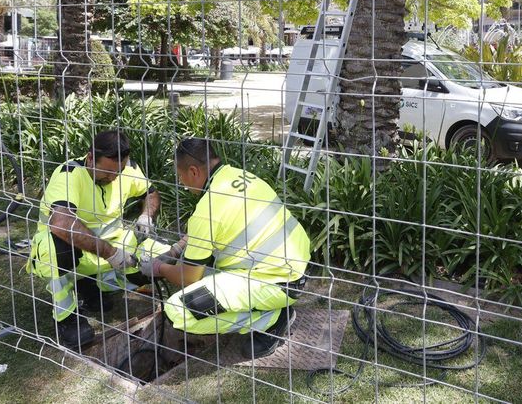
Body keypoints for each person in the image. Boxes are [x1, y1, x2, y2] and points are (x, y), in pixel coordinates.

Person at [137, 138, 311, 358]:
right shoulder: (240, 176)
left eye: (181, 176)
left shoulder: (206, 209)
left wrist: (159, 268)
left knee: (177, 311)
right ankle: (270, 308)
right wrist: (176, 249)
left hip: (276, 283)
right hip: (297, 268)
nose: (182, 183)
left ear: (193, 171)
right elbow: (221, 224)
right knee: (206, 275)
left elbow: (189, 277)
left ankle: (271, 320)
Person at [27, 130, 172, 349]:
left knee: (161, 258)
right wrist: (112, 254)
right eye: (107, 171)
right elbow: (61, 224)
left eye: (118, 171)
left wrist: (146, 216)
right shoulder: (69, 174)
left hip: (112, 248)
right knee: (56, 249)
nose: (114, 177)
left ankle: (92, 285)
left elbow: (150, 193)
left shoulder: (127, 169)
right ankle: (67, 317)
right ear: (91, 157)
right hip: (77, 251)